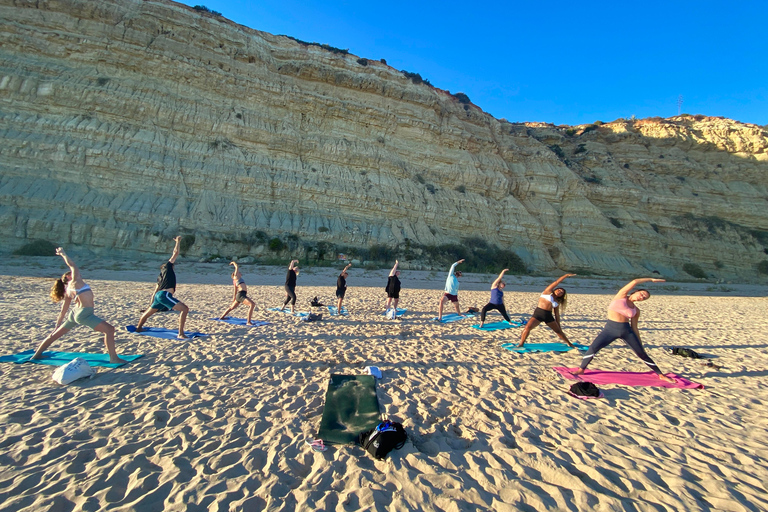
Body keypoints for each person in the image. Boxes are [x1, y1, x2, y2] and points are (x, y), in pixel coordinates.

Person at [33, 248, 126, 364]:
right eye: (71, 274)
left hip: (74, 313)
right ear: (68, 278)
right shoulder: (75, 281)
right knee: (109, 330)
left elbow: (64, 309)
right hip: (84, 313)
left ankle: (37, 355)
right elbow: (72, 265)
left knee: (54, 335)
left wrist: (58, 324)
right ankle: (114, 358)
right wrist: (63, 254)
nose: (76, 273)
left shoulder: (68, 290)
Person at [573, 278, 675, 382]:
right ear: (636, 291)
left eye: (644, 298)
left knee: (642, 354)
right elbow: (634, 281)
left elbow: (635, 327)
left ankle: (660, 374)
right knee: (593, 348)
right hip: (609, 330)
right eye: (642, 294)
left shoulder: (636, 310)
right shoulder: (621, 296)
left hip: (627, 331)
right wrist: (651, 279)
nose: (642, 297)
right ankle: (581, 369)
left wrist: (639, 342)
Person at [136, 236, 190, 339]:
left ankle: (139, 328)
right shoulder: (168, 267)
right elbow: (175, 253)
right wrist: (178, 242)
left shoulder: (160, 277)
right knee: (184, 309)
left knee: (148, 313)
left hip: (158, 296)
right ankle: (181, 334)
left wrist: (151, 303)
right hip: (165, 295)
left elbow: (155, 291)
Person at [518, 273, 575, 347]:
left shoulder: (556, 302)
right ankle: (521, 344)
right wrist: (566, 275)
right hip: (538, 313)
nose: (559, 292)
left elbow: (557, 314)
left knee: (558, 331)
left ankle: (569, 344)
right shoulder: (547, 292)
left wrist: (558, 325)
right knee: (527, 328)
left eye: (561, 293)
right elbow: (556, 282)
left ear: (561, 296)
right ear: (555, 290)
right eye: (559, 290)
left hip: (548, 316)